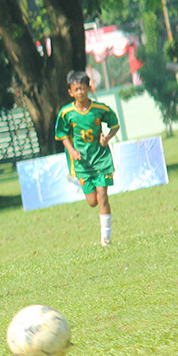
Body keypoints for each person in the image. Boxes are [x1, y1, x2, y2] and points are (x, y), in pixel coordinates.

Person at [54, 70, 120, 246]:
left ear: (88, 88)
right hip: (82, 164)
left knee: (103, 196)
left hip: (101, 159)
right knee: (92, 201)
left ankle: (106, 238)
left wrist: (107, 138)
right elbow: (61, 134)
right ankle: (86, 188)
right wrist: (72, 150)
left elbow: (115, 124)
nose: (80, 92)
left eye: (82, 88)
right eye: (76, 90)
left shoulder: (100, 109)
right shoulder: (66, 113)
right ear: (70, 92)